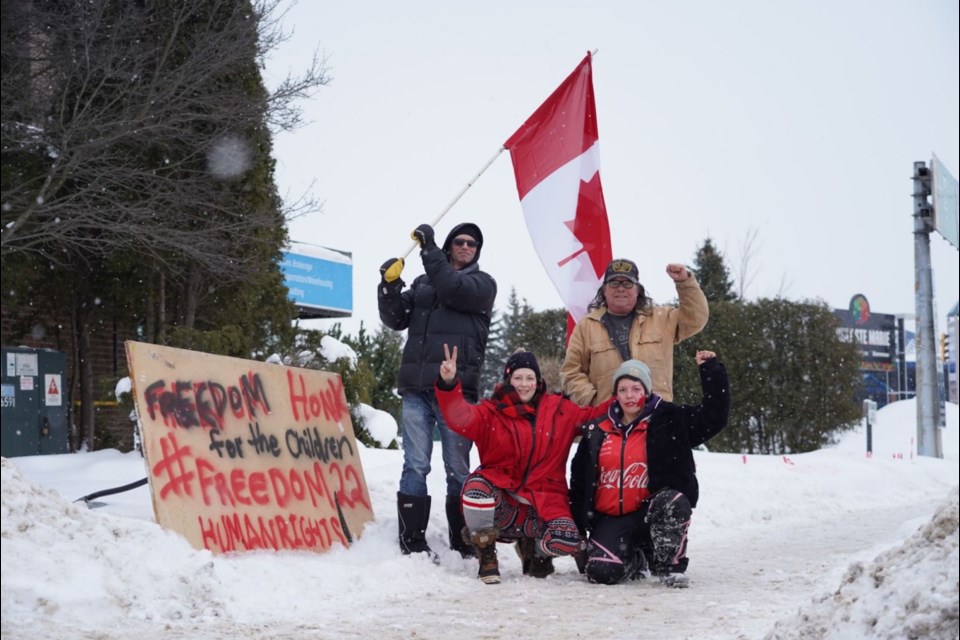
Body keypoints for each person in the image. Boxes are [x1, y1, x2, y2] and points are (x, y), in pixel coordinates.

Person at [435, 346, 613, 584]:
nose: (524, 384)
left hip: (544, 502)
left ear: (538, 381)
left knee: (566, 539)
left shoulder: (560, 410)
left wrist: (624, 396)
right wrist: (448, 384)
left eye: (530, 378)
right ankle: (487, 555)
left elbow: (594, 417)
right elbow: (460, 417)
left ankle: (537, 553)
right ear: (508, 380)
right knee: (475, 488)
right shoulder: (491, 412)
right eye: (517, 378)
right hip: (504, 500)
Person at [378, 222, 497, 558]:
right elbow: (396, 318)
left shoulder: (481, 285)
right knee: (415, 464)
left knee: (458, 467)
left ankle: (462, 539)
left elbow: (451, 288)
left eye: (472, 243)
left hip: (457, 393)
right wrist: (388, 287)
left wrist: (428, 250)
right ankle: (412, 539)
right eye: (459, 241)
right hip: (417, 388)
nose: (465, 246)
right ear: (449, 246)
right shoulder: (423, 283)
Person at [569, 352, 730, 587]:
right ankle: (637, 559)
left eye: (635, 388)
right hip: (611, 518)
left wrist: (711, 371)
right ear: (616, 394)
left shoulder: (669, 418)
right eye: (623, 390)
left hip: (651, 512)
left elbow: (714, 417)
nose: (629, 396)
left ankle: (670, 565)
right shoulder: (597, 429)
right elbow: (579, 482)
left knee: (673, 501)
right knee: (599, 573)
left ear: (646, 390)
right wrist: (579, 527)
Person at [561, 258, 709, 404]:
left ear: (637, 290)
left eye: (627, 283)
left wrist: (684, 282)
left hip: (657, 419)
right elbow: (571, 373)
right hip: (608, 421)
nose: (620, 288)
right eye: (614, 283)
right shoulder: (586, 327)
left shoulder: (662, 319)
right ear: (604, 290)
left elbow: (695, 319)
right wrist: (595, 401)